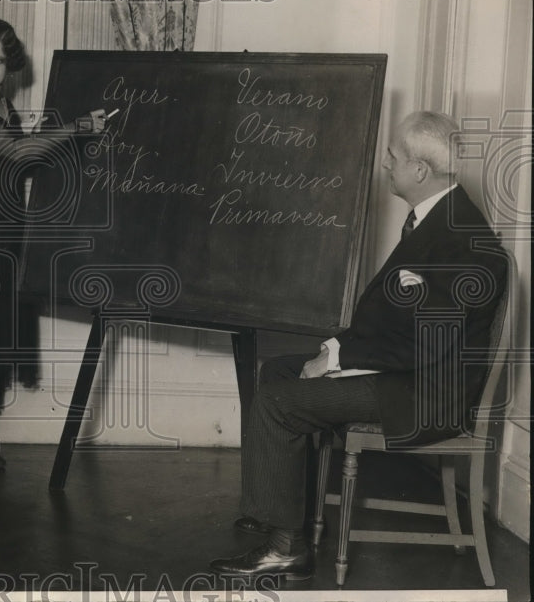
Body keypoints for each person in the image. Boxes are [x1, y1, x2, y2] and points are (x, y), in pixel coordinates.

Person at [209, 111, 507, 581]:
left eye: (393, 156)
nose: (386, 164)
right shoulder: (436, 220)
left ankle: (287, 549)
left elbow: (425, 346)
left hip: (425, 392)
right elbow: (388, 319)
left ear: (420, 171)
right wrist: (332, 350)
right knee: (278, 372)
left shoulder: (464, 242)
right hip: (405, 371)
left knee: (276, 402)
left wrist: (339, 360)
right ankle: (283, 512)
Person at [0, 19, 107, 458]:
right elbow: (18, 153)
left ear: (10, 65)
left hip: (1, 232)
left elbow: (21, 166)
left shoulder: (4, 107)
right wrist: (78, 129)